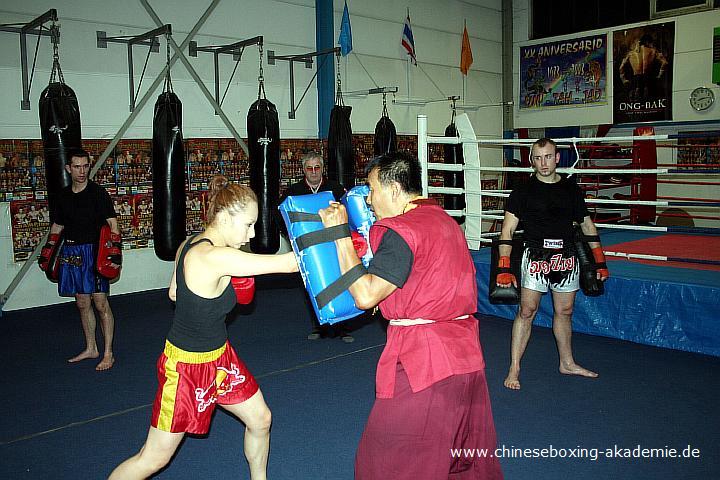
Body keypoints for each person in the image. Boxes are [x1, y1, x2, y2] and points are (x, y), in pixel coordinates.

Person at [318, 153, 503, 479]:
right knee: (459, 460)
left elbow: (365, 295)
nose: (369, 200)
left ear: (392, 188)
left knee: (387, 460)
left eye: (372, 189)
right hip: (467, 360)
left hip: (425, 364)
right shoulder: (446, 222)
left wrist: (339, 235)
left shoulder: (403, 231)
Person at [109, 175, 298, 479]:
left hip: (220, 359)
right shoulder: (216, 256)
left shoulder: (190, 242)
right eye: (247, 224)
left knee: (261, 419)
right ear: (224, 217)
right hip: (185, 367)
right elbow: (290, 264)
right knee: (153, 459)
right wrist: (337, 234)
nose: (250, 235)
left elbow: (173, 293)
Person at [497, 138, 609, 390]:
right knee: (527, 310)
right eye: (538, 157)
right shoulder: (522, 191)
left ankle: (567, 362)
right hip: (535, 255)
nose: (543, 163)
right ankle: (514, 367)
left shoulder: (571, 189)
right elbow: (507, 229)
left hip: (566, 256)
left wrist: (599, 262)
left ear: (557, 158)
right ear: (531, 160)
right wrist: (504, 267)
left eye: (548, 157)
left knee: (565, 311)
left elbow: (587, 225)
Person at [47, 149, 119, 371]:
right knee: (81, 303)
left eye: (85, 166)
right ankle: (91, 348)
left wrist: (114, 253)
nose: (81, 171)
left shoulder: (98, 193)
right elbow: (58, 225)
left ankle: (108, 353)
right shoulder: (63, 196)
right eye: (76, 167)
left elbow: (113, 224)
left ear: (89, 166)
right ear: (68, 168)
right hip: (72, 253)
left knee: (100, 303)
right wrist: (48, 249)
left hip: (95, 254)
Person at [280, 151, 352, 343]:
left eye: (317, 167)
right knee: (312, 284)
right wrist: (292, 238)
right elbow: (282, 218)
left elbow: (348, 212)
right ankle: (319, 326)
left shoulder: (335, 189)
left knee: (340, 281)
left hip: (334, 242)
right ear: (304, 169)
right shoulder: (293, 193)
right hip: (309, 247)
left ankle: (343, 328)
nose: (313, 172)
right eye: (309, 168)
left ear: (322, 169)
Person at [618, 33, 668, 102]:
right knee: (649, 103)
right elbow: (665, 63)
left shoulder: (631, 53)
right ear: (648, 42)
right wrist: (659, 76)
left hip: (636, 81)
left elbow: (621, 67)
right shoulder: (653, 51)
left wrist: (623, 79)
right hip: (649, 80)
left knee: (635, 104)